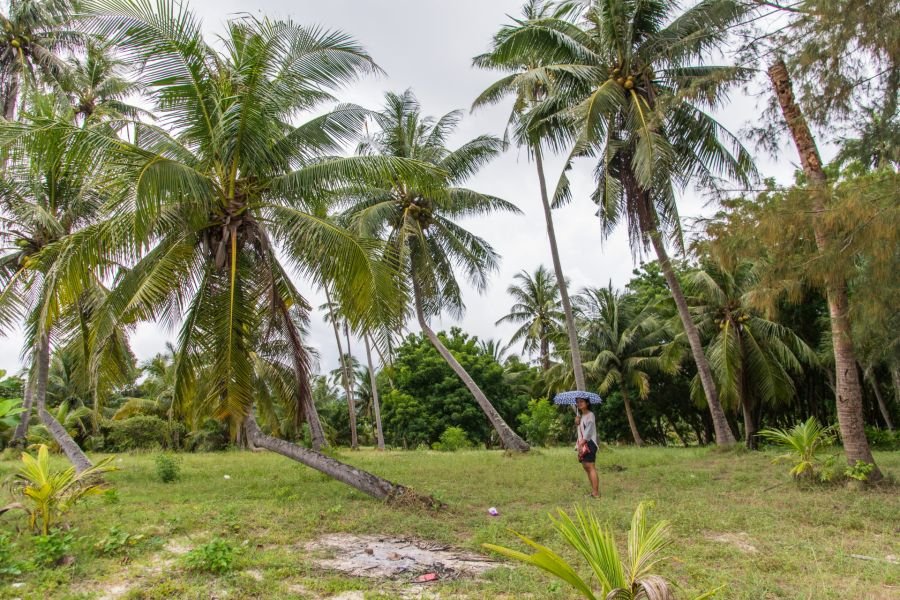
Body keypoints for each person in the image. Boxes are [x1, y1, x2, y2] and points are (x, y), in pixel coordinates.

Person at [575, 397, 600, 498]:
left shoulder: (590, 415)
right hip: (582, 443)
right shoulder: (581, 416)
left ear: (587, 403)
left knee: (590, 467)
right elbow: (580, 431)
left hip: (589, 443)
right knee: (586, 467)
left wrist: (582, 443)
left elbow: (589, 431)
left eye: (581, 401)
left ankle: (596, 493)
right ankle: (593, 491)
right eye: (577, 402)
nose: (579, 404)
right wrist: (577, 422)